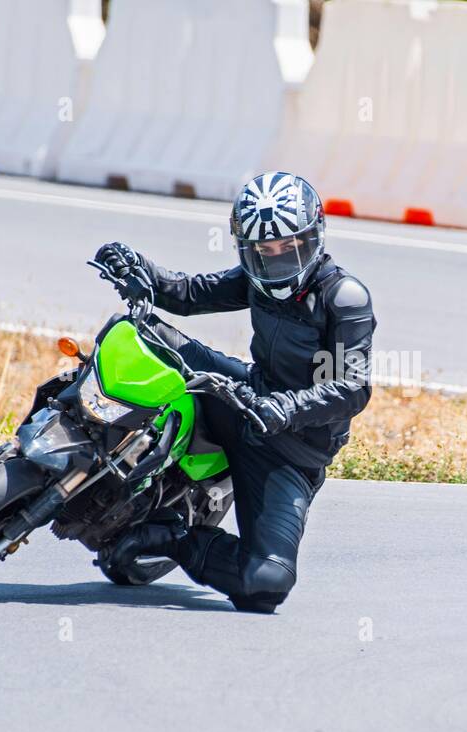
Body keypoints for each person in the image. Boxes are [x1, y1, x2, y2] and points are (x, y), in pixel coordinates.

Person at [92, 172, 375, 613]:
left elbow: (351, 388)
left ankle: (173, 536)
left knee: (267, 581)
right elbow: (189, 293)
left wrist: (285, 407)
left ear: (315, 236)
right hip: (240, 396)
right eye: (262, 250)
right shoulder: (254, 278)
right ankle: (70, 424)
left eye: (289, 247)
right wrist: (139, 270)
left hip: (291, 450)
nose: (275, 259)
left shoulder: (344, 298)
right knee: (139, 333)